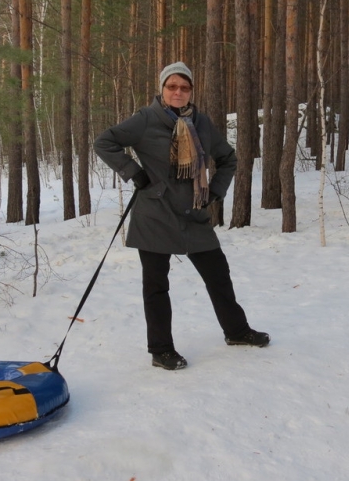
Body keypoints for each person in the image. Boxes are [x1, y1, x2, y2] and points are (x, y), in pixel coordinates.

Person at [93, 61, 269, 370]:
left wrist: (214, 192)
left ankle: (237, 331)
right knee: (156, 285)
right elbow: (104, 142)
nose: (178, 92)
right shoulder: (145, 120)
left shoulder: (200, 122)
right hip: (155, 214)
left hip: (193, 214)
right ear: (161, 89)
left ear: (190, 92)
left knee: (218, 275)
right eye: (172, 86)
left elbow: (227, 158)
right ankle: (161, 350)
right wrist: (134, 172)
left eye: (184, 87)